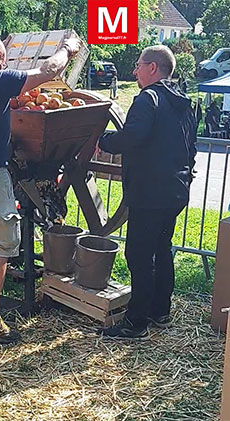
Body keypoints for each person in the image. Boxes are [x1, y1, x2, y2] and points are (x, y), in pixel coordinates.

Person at [0, 35, 80, 344]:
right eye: (3, 59)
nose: (6, 64)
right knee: (3, 247)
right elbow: (48, 70)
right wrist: (67, 50)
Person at [97, 45, 197, 339]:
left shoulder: (148, 98)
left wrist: (103, 140)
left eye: (139, 65)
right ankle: (160, 312)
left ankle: (136, 322)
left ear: (153, 68)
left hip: (149, 191)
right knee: (162, 250)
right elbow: (191, 148)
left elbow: (133, 137)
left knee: (139, 255)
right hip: (175, 190)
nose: (135, 71)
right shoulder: (183, 102)